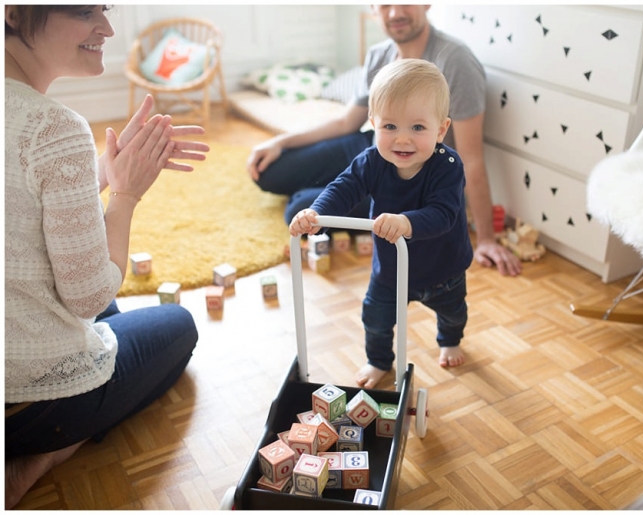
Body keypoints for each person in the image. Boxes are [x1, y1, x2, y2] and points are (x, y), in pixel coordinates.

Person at [4, 5, 209, 508]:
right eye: (83, 9)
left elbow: (19, 212)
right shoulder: (52, 125)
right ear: (10, 14)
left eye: (105, 8)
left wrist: (96, 173)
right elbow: (87, 296)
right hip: (29, 405)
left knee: (108, 307)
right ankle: (44, 456)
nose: (108, 28)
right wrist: (127, 195)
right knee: (178, 324)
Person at [248, 4, 523, 277]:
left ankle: (322, 187)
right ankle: (327, 182)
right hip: (372, 150)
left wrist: (486, 238)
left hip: (411, 176)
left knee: (300, 209)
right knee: (268, 169)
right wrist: (280, 142)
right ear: (373, 8)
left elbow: (471, 158)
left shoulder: (455, 61)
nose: (395, 13)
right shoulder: (379, 54)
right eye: (386, 4)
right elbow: (346, 122)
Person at [290, 58, 472, 389]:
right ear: (373, 123)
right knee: (374, 319)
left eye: (418, 128)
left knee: (453, 313)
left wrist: (406, 222)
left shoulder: (448, 165)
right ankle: (378, 360)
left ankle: (449, 338)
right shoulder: (371, 161)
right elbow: (343, 189)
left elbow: (444, 214)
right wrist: (317, 215)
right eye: (390, 127)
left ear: (441, 129)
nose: (402, 140)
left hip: (443, 270)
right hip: (389, 271)